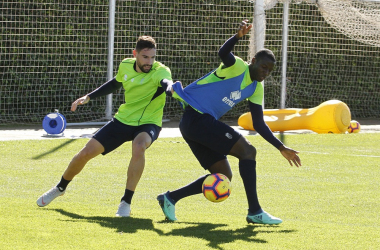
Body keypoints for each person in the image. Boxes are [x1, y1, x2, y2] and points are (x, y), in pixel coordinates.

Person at [157, 20, 301, 225]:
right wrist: (237, 37)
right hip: (196, 118)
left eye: (269, 71)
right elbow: (223, 53)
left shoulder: (256, 88)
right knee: (248, 151)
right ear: (253, 61)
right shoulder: (238, 67)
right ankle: (255, 211)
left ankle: (170, 198)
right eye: (263, 67)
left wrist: (281, 147)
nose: (265, 73)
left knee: (223, 175)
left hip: (194, 124)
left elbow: (259, 124)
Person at [37, 35, 174, 217]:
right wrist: (89, 97)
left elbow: (166, 82)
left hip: (149, 122)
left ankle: (126, 202)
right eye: (145, 57)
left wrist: (171, 87)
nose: (149, 62)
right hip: (123, 120)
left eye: (152, 57)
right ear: (135, 54)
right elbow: (117, 82)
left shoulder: (160, 71)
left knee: (139, 146)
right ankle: (60, 188)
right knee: (85, 153)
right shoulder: (126, 65)